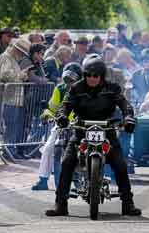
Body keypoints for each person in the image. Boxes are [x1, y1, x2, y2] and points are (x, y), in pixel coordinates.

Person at [46, 56, 142, 217]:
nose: (91, 78)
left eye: (95, 75)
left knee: (120, 164)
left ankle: (128, 203)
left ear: (102, 76)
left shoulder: (113, 88)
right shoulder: (76, 88)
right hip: (81, 130)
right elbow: (66, 105)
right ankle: (60, 204)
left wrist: (129, 118)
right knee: (67, 162)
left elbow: (125, 105)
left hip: (107, 130)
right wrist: (62, 116)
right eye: (88, 75)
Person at [32, 63, 82, 190]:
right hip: (61, 125)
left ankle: (83, 179)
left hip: (79, 126)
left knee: (84, 149)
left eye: (72, 80)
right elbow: (52, 108)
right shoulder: (59, 89)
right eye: (66, 79)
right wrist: (46, 114)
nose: (68, 83)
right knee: (48, 148)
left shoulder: (84, 91)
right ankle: (43, 180)